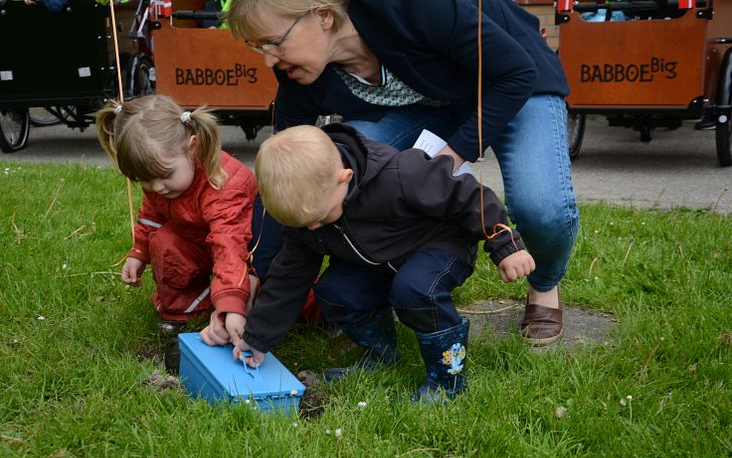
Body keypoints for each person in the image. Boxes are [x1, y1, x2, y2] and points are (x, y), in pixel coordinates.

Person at [225, 0, 579, 346]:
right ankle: (390, 269)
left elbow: (515, 72)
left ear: (323, 17)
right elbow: (283, 177)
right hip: (436, 104)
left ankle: (544, 283)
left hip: (515, 82)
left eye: (274, 42)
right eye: (259, 47)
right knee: (345, 160)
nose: (269, 58)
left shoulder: (413, 7)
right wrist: (255, 277)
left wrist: (452, 156)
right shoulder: (297, 72)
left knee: (541, 206)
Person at [232, 123, 535, 401]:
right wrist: (258, 336)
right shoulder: (309, 213)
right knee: (335, 292)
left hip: (439, 245)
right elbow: (289, 277)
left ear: (344, 179)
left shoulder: (400, 174)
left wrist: (505, 244)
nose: (313, 229)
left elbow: (469, 196)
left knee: (416, 289)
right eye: (305, 225)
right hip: (380, 260)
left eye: (320, 219)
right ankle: (381, 357)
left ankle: (448, 381)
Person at [95, 94, 259, 350]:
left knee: (274, 295)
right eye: (144, 180)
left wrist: (230, 305)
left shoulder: (224, 184)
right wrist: (139, 252)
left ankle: (237, 300)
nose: (156, 187)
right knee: (163, 240)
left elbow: (229, 247)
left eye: (164, 176)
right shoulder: (160, 181)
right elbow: (152, 214)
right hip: (199, 245)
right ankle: (187, 311)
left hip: (247, 256)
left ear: (192, 147)